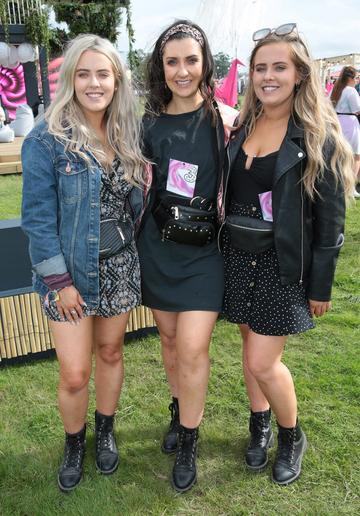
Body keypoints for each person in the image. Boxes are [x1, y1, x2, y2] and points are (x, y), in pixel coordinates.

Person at [221, 23, 354, 486]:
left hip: (282, 263)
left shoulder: (320, 138)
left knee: (263, 361)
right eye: (260, 68)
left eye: (279, 67)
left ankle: (290, 434)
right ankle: (258, 425)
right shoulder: (241, 126)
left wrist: (319, 286)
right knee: (248, 345)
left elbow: (332, 225)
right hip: (237, 255)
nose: (267, 76)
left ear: (300, 75)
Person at [21, 34, 146, 492]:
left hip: (119, 268)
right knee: (75, 372)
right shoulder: (47, 138)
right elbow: (36, 219)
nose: (94, 83)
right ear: (70, 78)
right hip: (70, 275)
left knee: (111, 353)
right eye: (84, 73)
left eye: (103, 73)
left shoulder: (125, 131)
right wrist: (59, 281)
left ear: (117, 79)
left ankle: (105, 431)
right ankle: (75, 442)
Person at [137, 20, 238, 492]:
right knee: (171, 341)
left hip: (205, 254)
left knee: (195, 347)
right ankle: (178, 412)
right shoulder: (148, 123)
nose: (182, 71)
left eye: (190, 60)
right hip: (159, 249)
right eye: (172, 61)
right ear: (162, 66)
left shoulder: (225, 120)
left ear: (205, 63)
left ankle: (191, 439)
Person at [330, 66, 360, 198]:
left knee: (339, 155)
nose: (357, 80)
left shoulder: (337, 89)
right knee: (355, 156)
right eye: (356, 78)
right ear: (351, 78)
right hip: (349, 121)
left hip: (338, 121)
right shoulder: (351, 91)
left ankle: (338, 184)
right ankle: (351, 187)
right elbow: (357, 108)